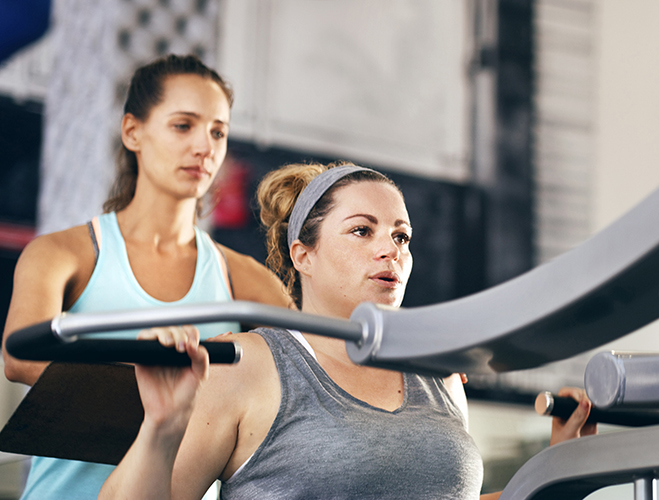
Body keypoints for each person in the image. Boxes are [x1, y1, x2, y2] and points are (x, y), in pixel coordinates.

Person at [97, 162, 595, 500]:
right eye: (362, 230)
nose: (391, 249)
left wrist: (558, 470)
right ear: (303, 255)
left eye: (401, 235)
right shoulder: (243, 365)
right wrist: (161, 427)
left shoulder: (438, 378)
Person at [1, 54, 292, 499]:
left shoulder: (246, 280)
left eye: (218, 131)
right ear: (133, 131)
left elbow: (303, 377)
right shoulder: (61, 254)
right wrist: (175, 398)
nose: (205, 147)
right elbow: (19, 359)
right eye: (184, 125)